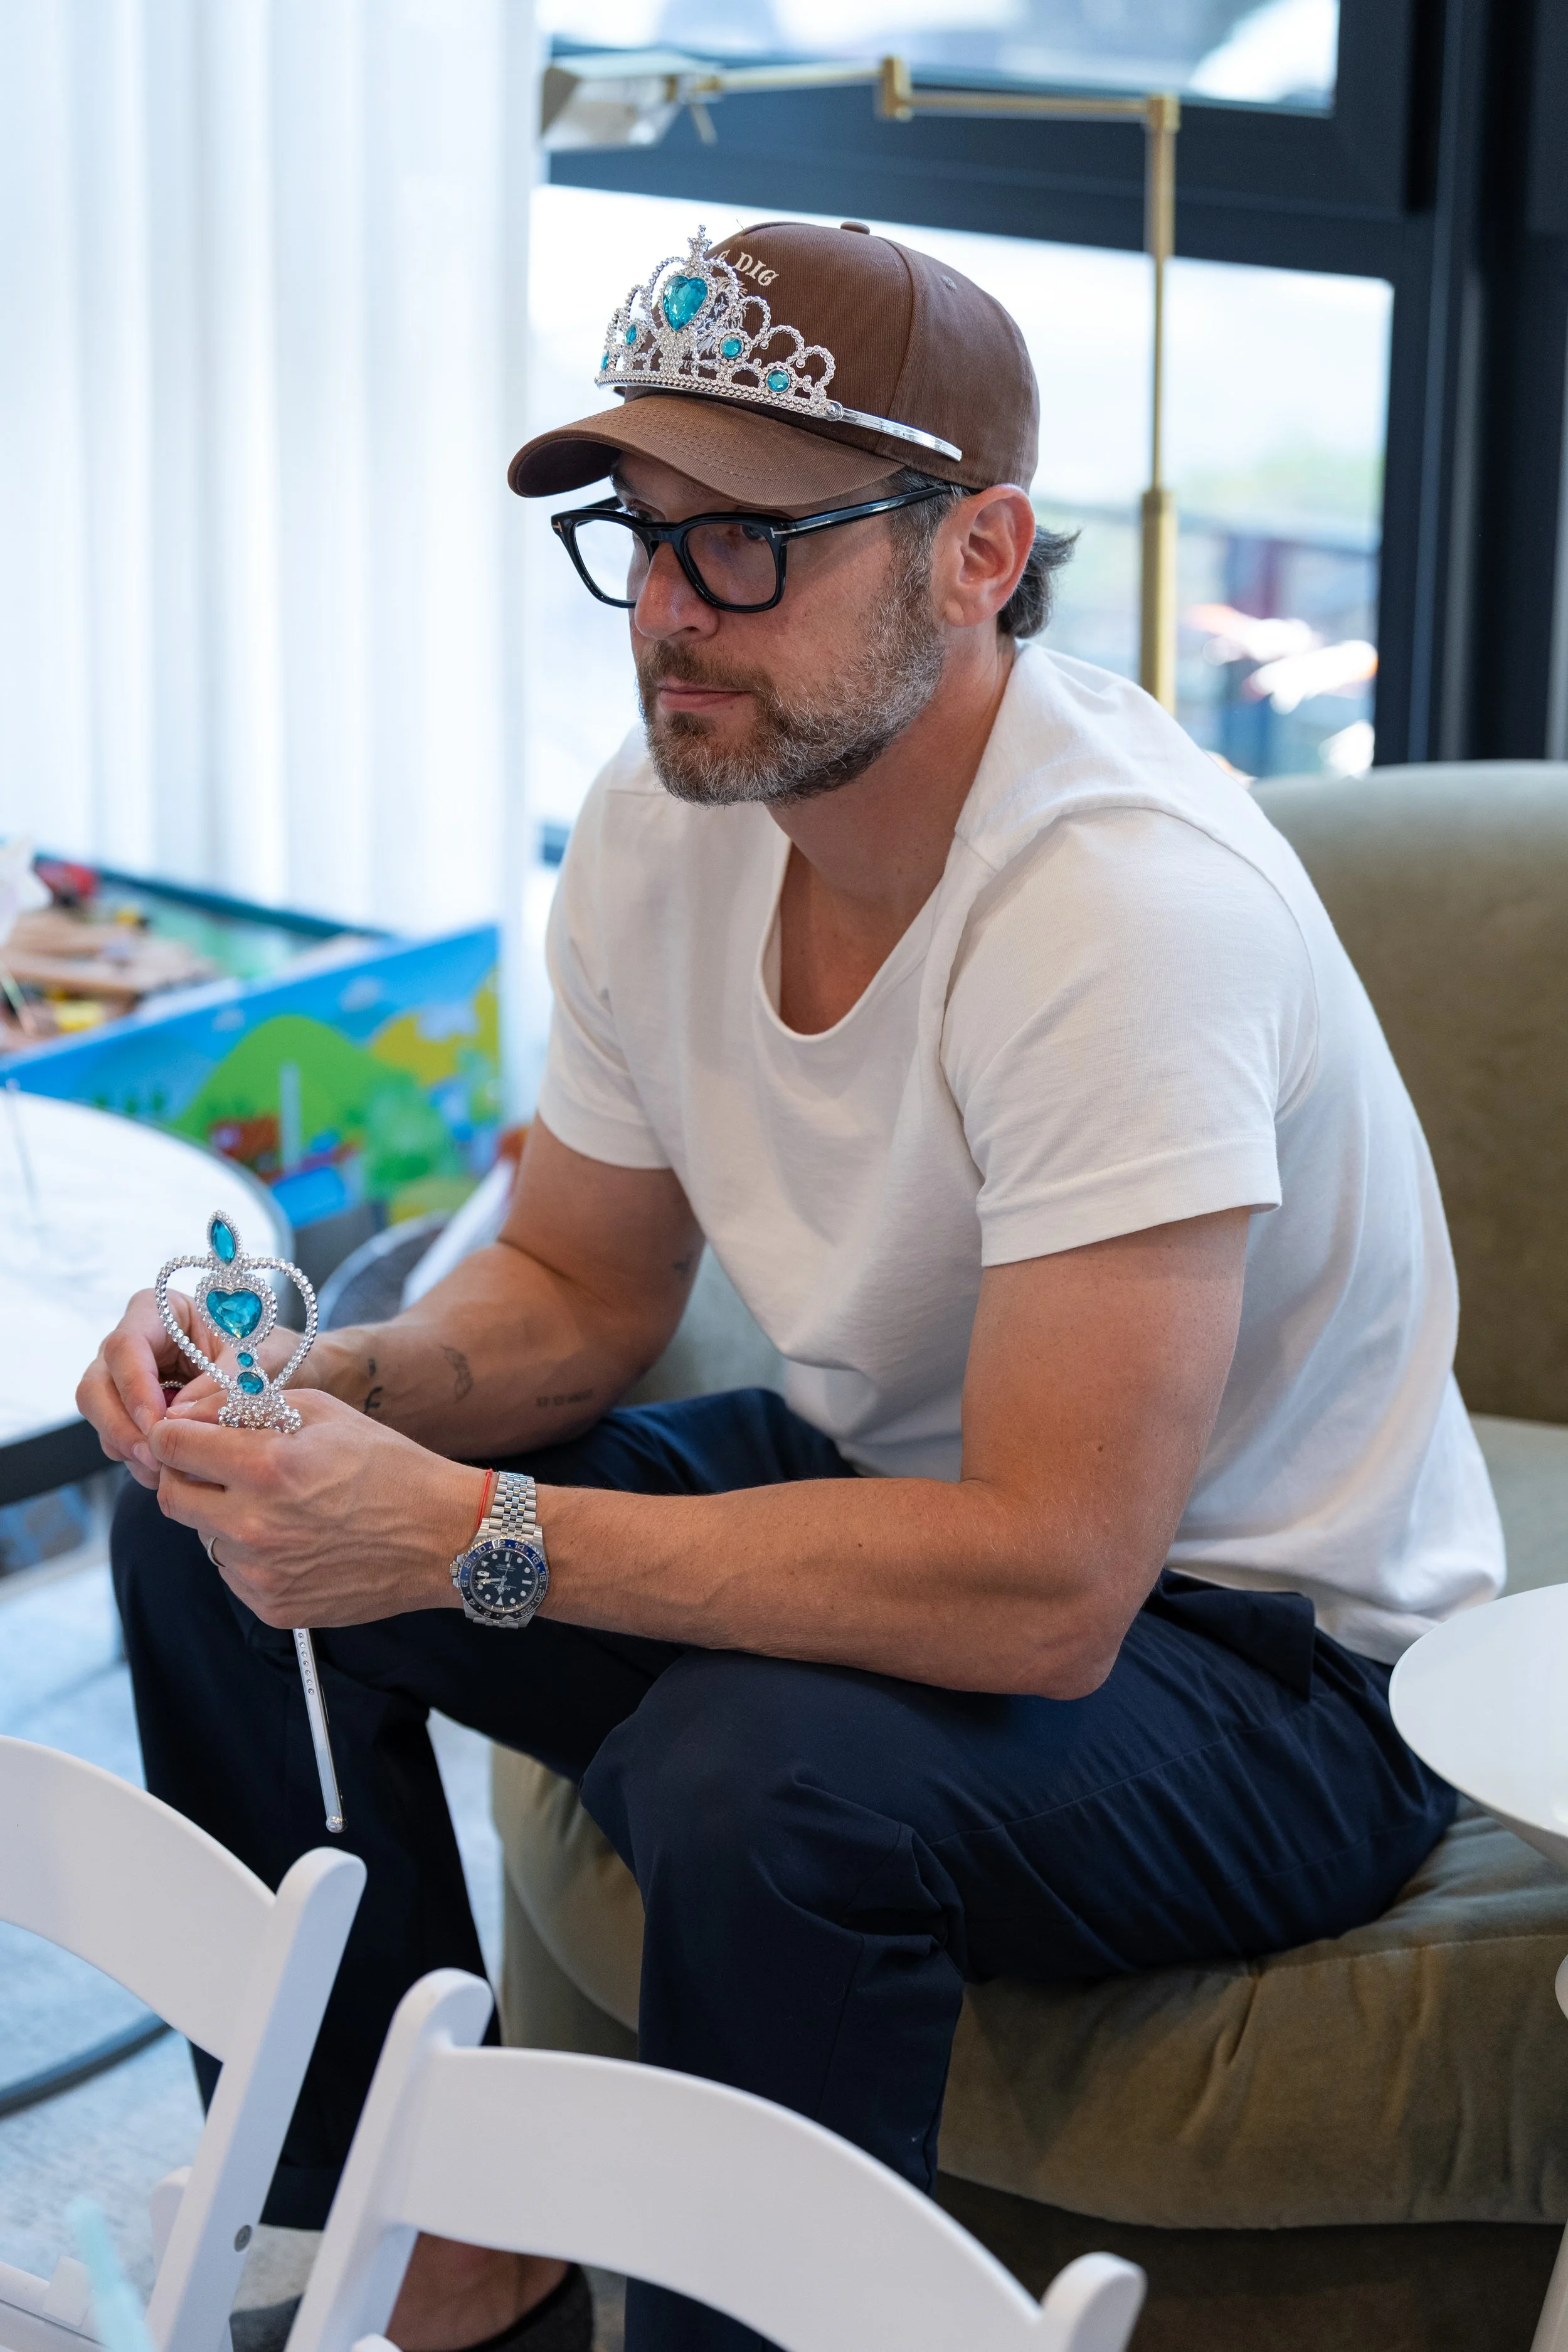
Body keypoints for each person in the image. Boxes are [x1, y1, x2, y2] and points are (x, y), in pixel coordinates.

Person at [82, 219, 1500, 2352]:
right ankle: (425, 2241)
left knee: (758, 1773)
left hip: (1270, 1661)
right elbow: (573, 1282)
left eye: (746, 542)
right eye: (637, 533)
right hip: (887, 1485)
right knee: (219, 1505)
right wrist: (326, 1390)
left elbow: (1046, 1581)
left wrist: (468, 1530)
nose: (667, 611)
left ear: (975, 548)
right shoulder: (670, 821)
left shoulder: (1122, 912)